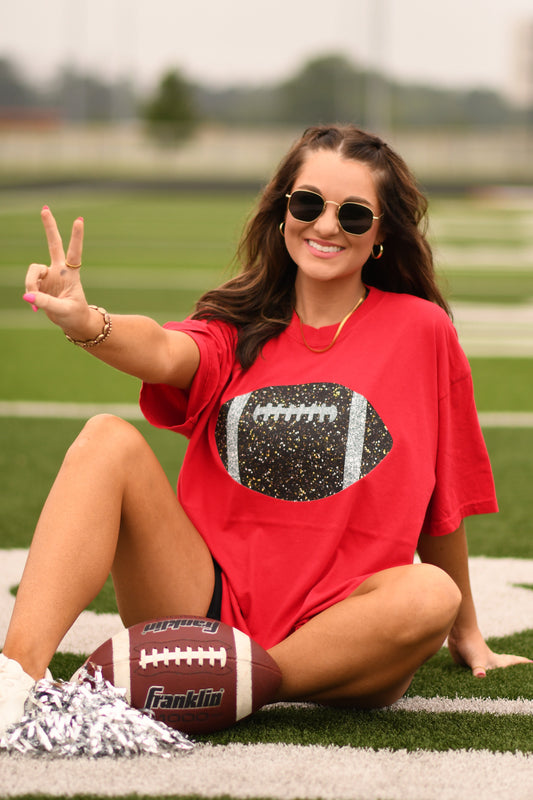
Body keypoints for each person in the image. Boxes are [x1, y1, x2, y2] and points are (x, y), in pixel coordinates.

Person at [1, 124, 530, 732]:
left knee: (433, 594)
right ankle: (16, 681)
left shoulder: (422, 331)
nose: (326, 226)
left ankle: (224, 683)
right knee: (106, 439)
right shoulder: (236, 321)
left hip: (345, 631)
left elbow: (443, 496)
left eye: (354, 215)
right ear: (283, 212)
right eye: (308, 203)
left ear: (382, 235)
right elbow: (164, 353)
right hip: (204, 608)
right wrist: (87, 319)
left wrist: (466, 632)